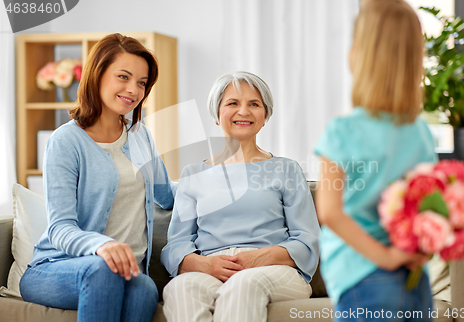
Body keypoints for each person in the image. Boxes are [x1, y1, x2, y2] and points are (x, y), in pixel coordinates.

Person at [19, 33, 176, 322]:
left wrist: (214, 185)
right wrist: (101, 246)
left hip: (125, 274)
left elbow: (168, 195)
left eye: (142, 82)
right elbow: (61, 228)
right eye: (124, 77)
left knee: (144, 286)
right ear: (98, 74)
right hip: (57, 268)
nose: (134, 89)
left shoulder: (141, 135)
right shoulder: (66, 141)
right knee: (103, 268)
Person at [161, 71, 320, 322]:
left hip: (274, 270)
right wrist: (206, 265)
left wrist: (260, 257)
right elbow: (176, 245)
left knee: (244, 284)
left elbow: (307, 239)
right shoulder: (193, 173)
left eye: (254, 104)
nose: (243, 112)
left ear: (265, 115)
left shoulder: (286, 169)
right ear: (217, 114)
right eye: (233, 103)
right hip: (210, 268)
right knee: (180, 289)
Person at [314, 1, 437, 321]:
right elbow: (429, 207)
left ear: (359, 53)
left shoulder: (341, 131)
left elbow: (329, 212)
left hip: (362, 277)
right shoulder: (421, 133)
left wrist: (384, 257)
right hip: (414, 281)